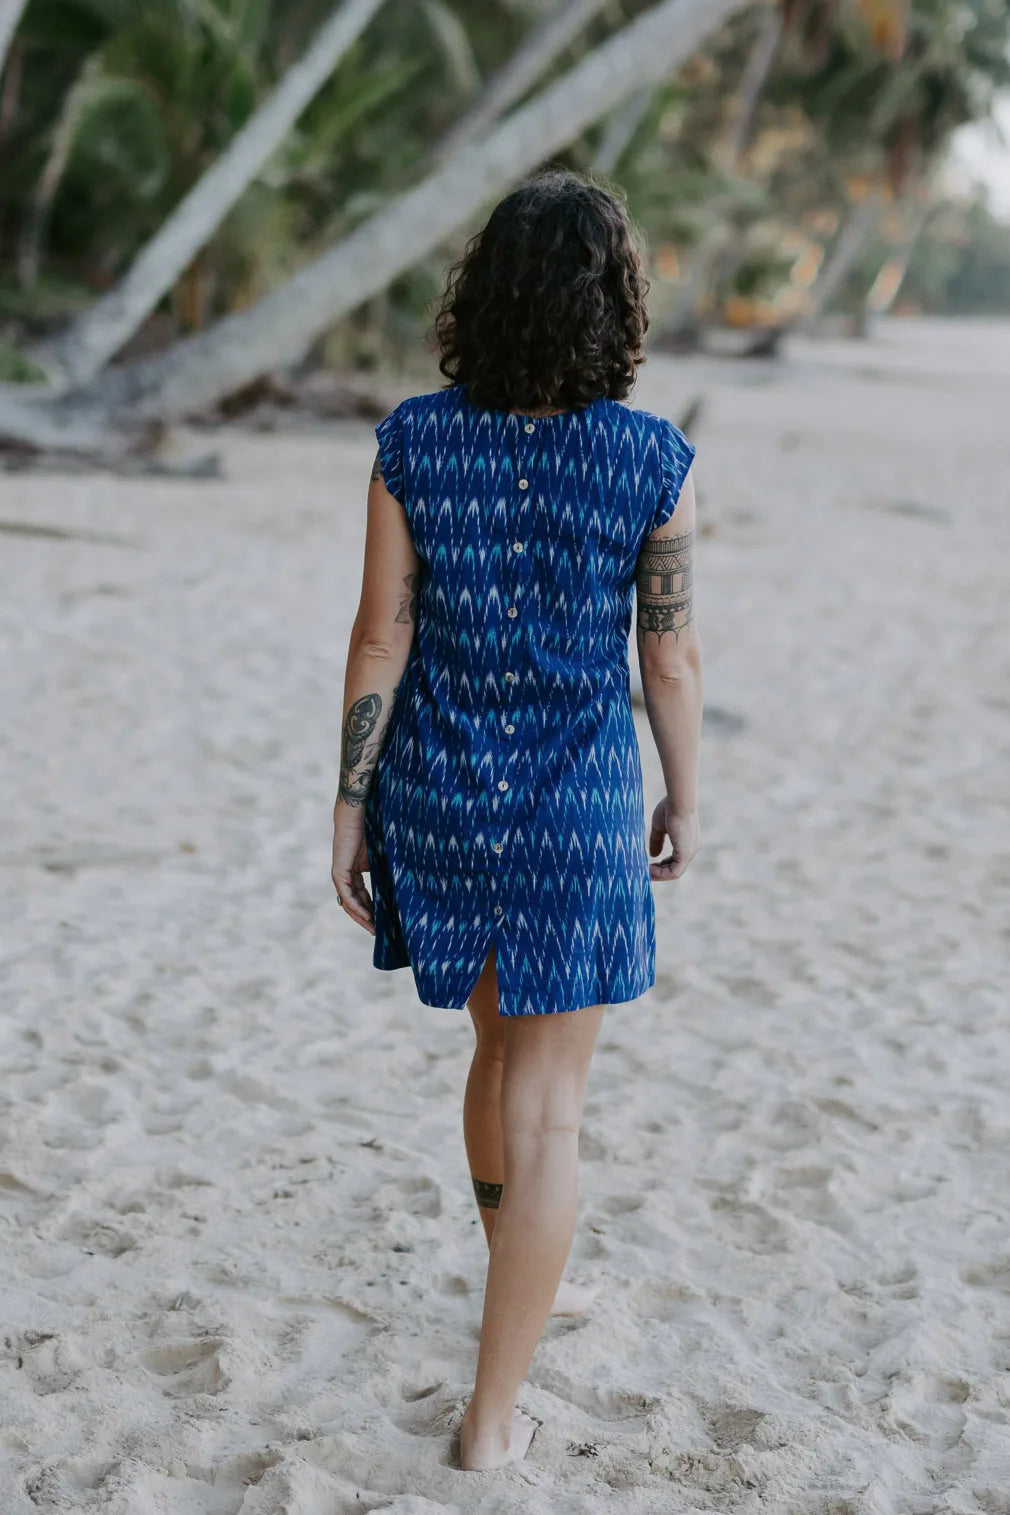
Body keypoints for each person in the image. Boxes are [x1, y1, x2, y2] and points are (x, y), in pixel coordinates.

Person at [330, 166, 701, 1471]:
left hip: (437, 788)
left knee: (496, 1058)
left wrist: (347, 804)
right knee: (547, 1108)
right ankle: (493, 1421)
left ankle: (521, 1280)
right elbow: (668, 661)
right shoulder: (650, 458)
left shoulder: (411, 443)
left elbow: (382, 633)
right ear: (613, 308)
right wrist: (684, 795)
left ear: (480, 293)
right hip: (573, 806)